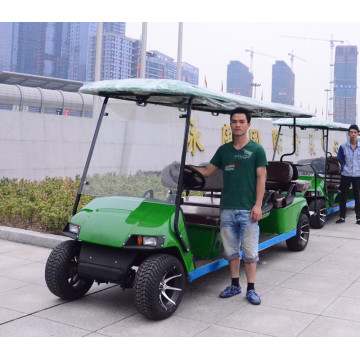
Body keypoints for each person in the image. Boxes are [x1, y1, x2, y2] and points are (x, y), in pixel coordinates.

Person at [195, 108, 267, 305]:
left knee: (251, 253)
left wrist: (258, 205)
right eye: (234, 121)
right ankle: (235, 285)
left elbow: (262, 179)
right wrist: (186, 169)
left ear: (248, 125)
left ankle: (251, 289)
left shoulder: (257, 150)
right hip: (227, 209)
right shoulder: (223, 151)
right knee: (231, 252)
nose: (237, 125)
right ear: (230, 124)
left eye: (241, 121)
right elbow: (207, 171)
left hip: (249, 210)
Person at [336, 124, 360, 225]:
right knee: (343, 196)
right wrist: (342, 169)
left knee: (358, 196)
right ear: (348, 134)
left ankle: (358, 218)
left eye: (355, 132)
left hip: (358, 175)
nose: (353, 134)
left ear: (358, 134)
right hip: (346, 174)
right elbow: (340, 160)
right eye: (351, 132)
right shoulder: (343, 147)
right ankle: (342, 217)